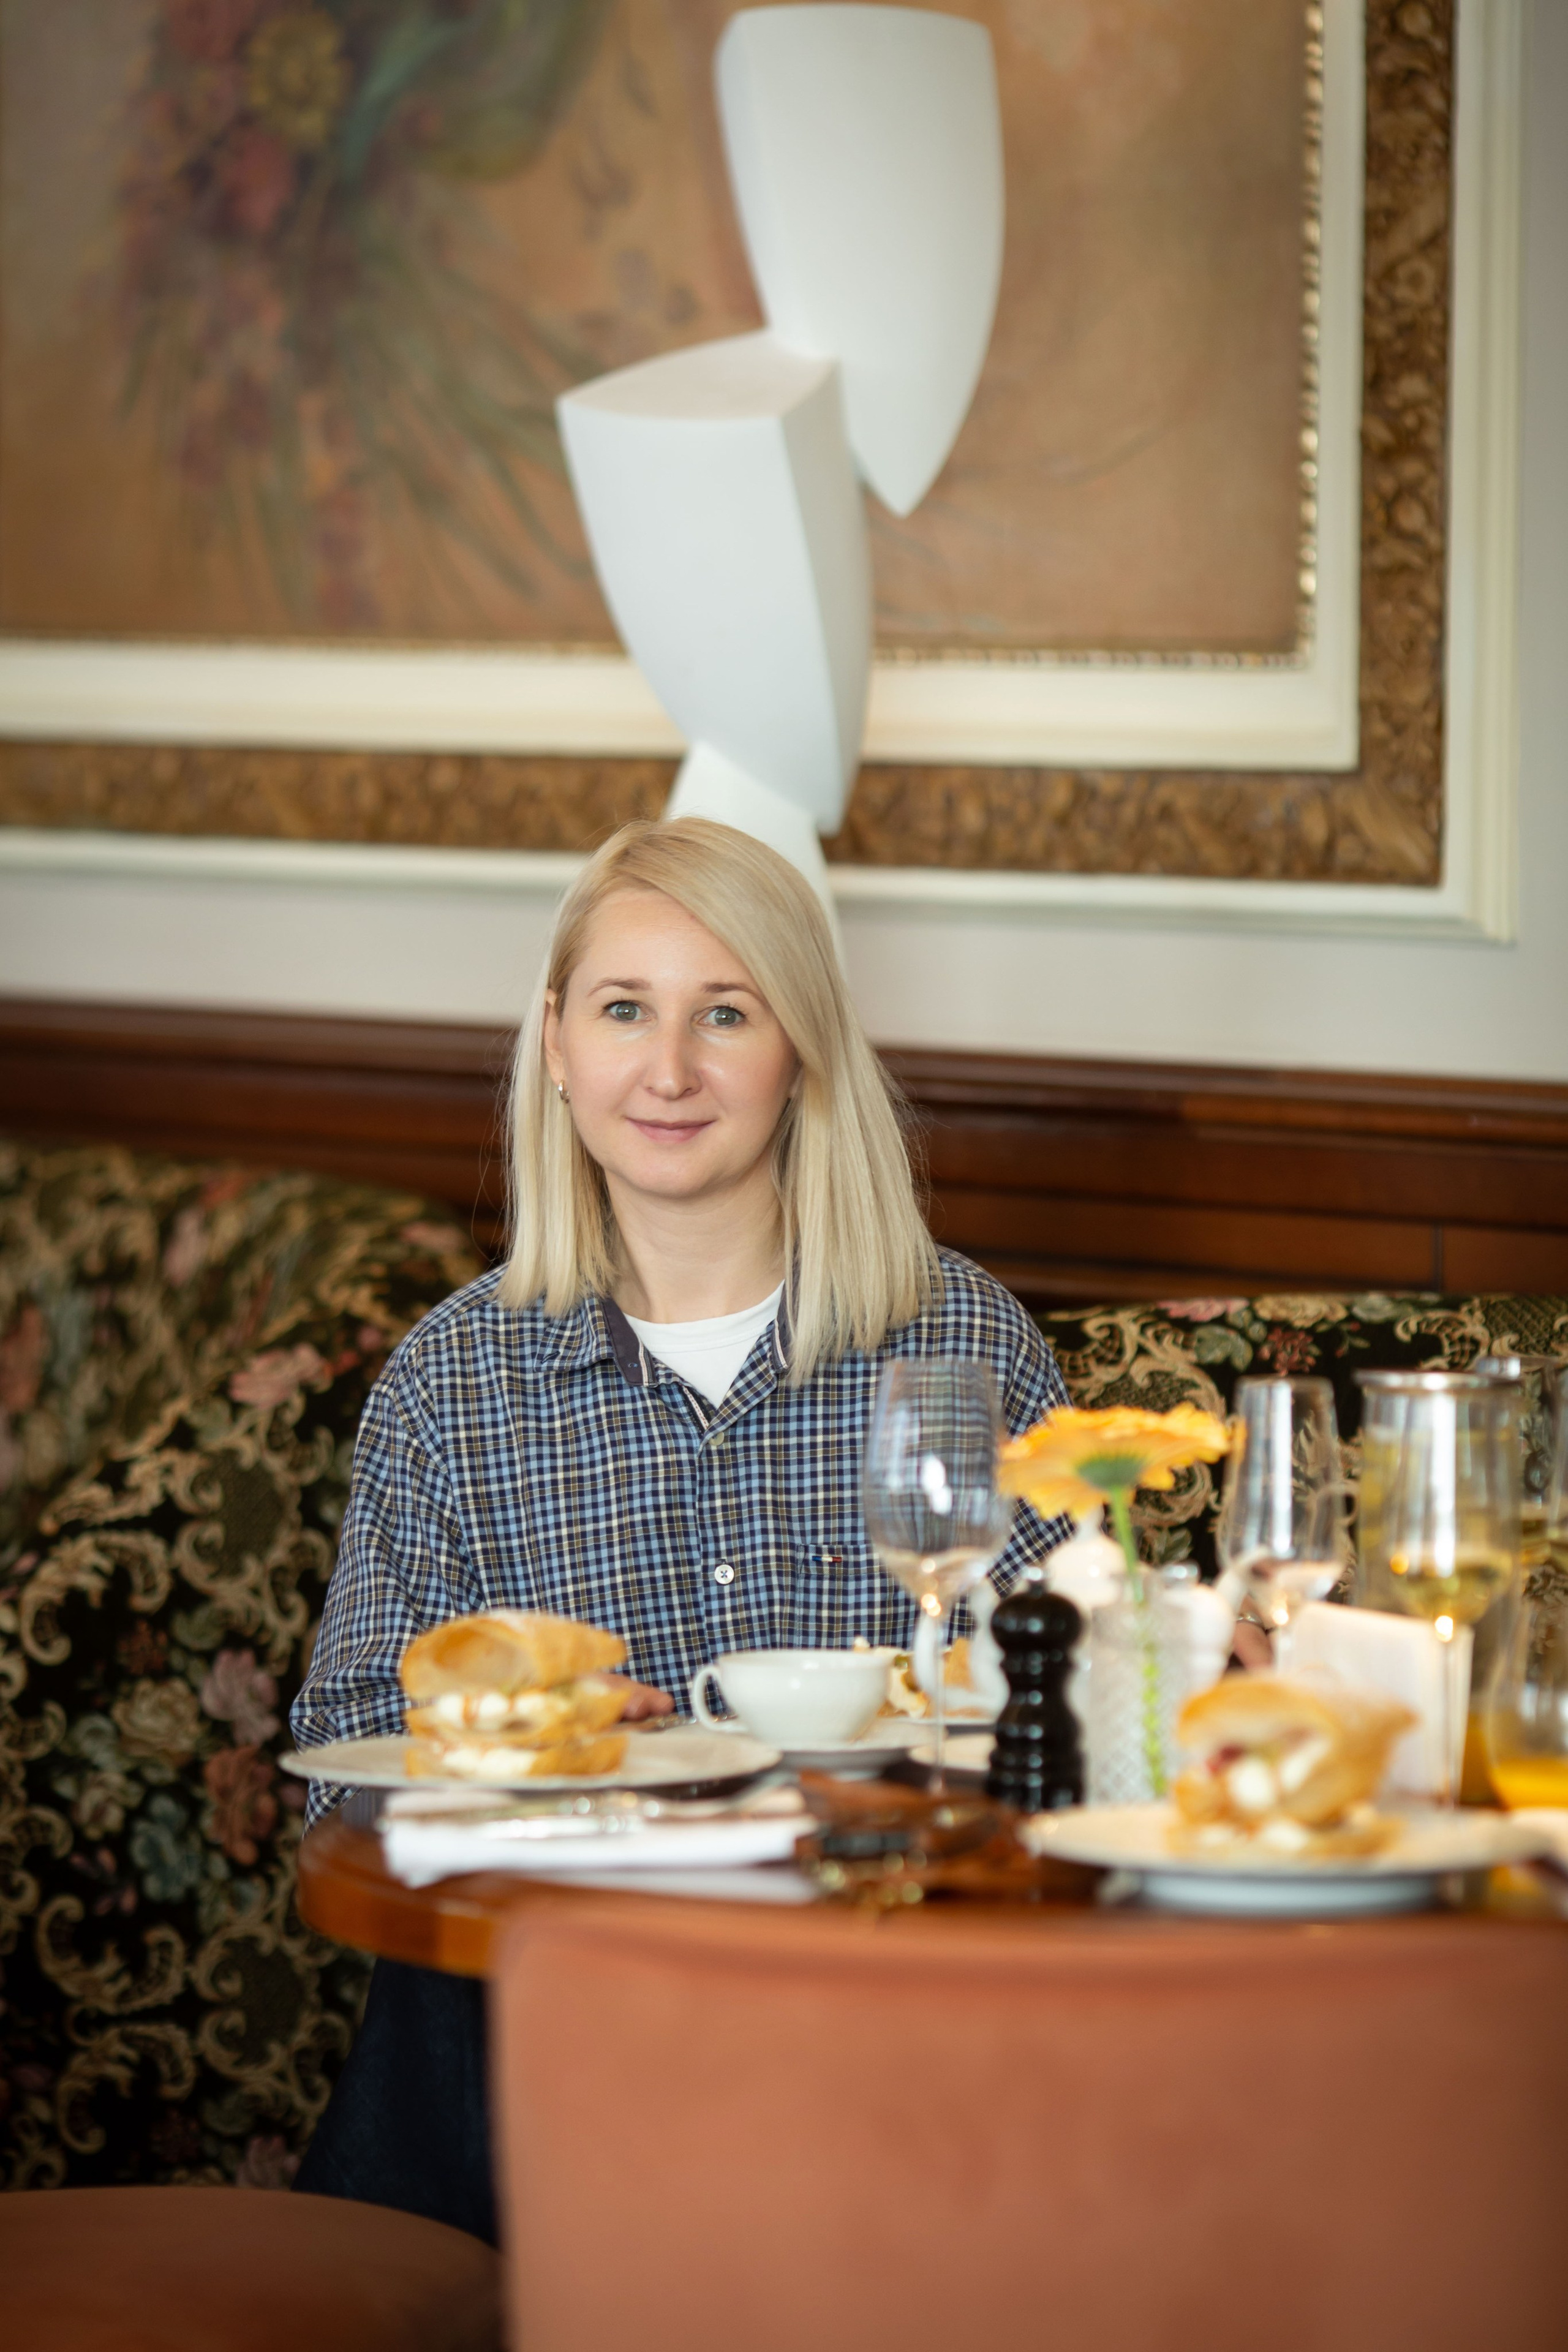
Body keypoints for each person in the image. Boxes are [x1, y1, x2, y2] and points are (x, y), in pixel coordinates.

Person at [291, 817, 1072, 2237]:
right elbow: (343, 1756)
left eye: (725, 1013)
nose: (668, 1071)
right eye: (622, 1011)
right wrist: (509, 1749)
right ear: (559, 1044)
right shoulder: (454, 1382)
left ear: (800, 1051)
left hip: (889, 1989)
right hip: (569, 2011)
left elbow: (1056, 1707)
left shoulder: (956, 1338)